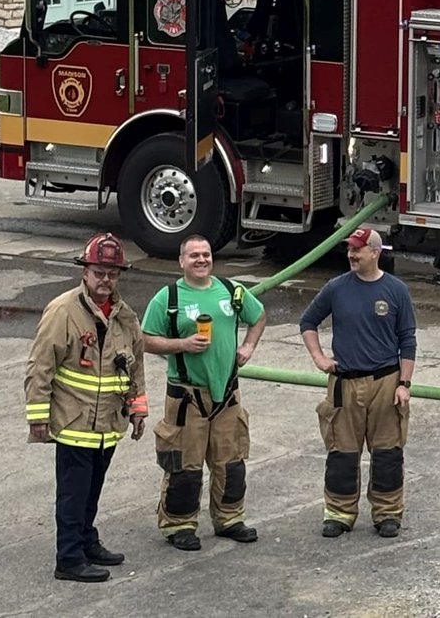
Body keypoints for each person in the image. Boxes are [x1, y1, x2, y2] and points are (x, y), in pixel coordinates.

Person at [25, 232, 148, 583]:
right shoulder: (63, 311)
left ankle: (86, 541)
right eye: (99, 272)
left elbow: (135, 367)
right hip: (74, 423)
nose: (106, 280)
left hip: (108, 425)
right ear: (85, 272)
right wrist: (38, 416)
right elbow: (40, 366)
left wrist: (138, 410)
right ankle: (68, 558)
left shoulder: (125, 317)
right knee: (72, 495)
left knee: (91, 491)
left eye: (112, 273)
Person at [141, 234, 266, 551]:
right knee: (185, 465)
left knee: (231, 462)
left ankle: (229, 520)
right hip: (186, 398)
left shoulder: (231, 291)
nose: (201, 260)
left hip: (227, 395)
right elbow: (145, 339)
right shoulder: (167, 299)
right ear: (181, 261)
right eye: (194, 255)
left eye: (206, 254)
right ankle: (179, 525)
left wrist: (249, 346)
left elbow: (258, 315)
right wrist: (182, 345)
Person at [300, 227, 416, 539]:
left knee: (388, 454)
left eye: (358, 249)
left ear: (375, 253)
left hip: (386, 382)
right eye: (350, 249)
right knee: (342, 453)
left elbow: (408, 340)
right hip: (345, 384)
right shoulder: (336, 288)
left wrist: (404, 384)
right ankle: (339, 513)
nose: (351, 254)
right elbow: (308, 322)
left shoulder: (396, 290)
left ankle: (387, 514)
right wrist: (319, 358)